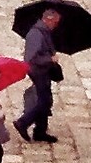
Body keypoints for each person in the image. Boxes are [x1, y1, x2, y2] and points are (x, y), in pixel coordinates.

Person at [15, 7, 61, 143]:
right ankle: (23, 122)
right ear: (48, 19)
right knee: (44, 102)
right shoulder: (36, 35)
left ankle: (40, 131)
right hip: (38, 71)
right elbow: (31, 58)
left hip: (43, 71)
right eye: (55, 23)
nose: (56, 25)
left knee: (45, 100)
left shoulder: (44, 32)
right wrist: (49, 59)